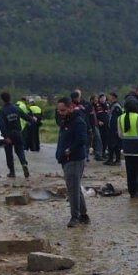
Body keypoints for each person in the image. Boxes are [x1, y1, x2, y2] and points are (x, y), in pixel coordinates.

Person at [55, 96, 90, 228]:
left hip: (74, 159)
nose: (60, 113)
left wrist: (69, 150)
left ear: (70, 108)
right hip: (66, 159)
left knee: (72, 190)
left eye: (63, 110)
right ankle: (83, 215)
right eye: (59, 110)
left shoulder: (78, 121)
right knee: (75, 187)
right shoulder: (66, 121)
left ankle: (75, 217)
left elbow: (82, 140)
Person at [118, 98, 138, 198]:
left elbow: (120, 134)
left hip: (127, 150)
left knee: (130, 171)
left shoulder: (120, 118)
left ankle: (132, 192)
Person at [0, 91, 31, 179]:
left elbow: (2, 125)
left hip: (9, 134)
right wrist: (33, 120)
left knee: (9, 154)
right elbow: (25, 116)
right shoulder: (16, 108)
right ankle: (24, 163)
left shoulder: (2, 110)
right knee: (20, 150)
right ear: (10, 98)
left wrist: (5, 137)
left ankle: (12, 172)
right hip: (18, 133)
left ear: (2, 100)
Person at [105, 92, 123, 166]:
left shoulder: (116, 107)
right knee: (110, 144)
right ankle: (110, 159)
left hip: (114, 129)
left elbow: (116, 119)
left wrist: (115, 129)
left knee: (116, 144)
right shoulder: (111, 106)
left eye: (110, 96)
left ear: (113, 97)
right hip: (110, 128)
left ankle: (118, 160)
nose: (108, 97)